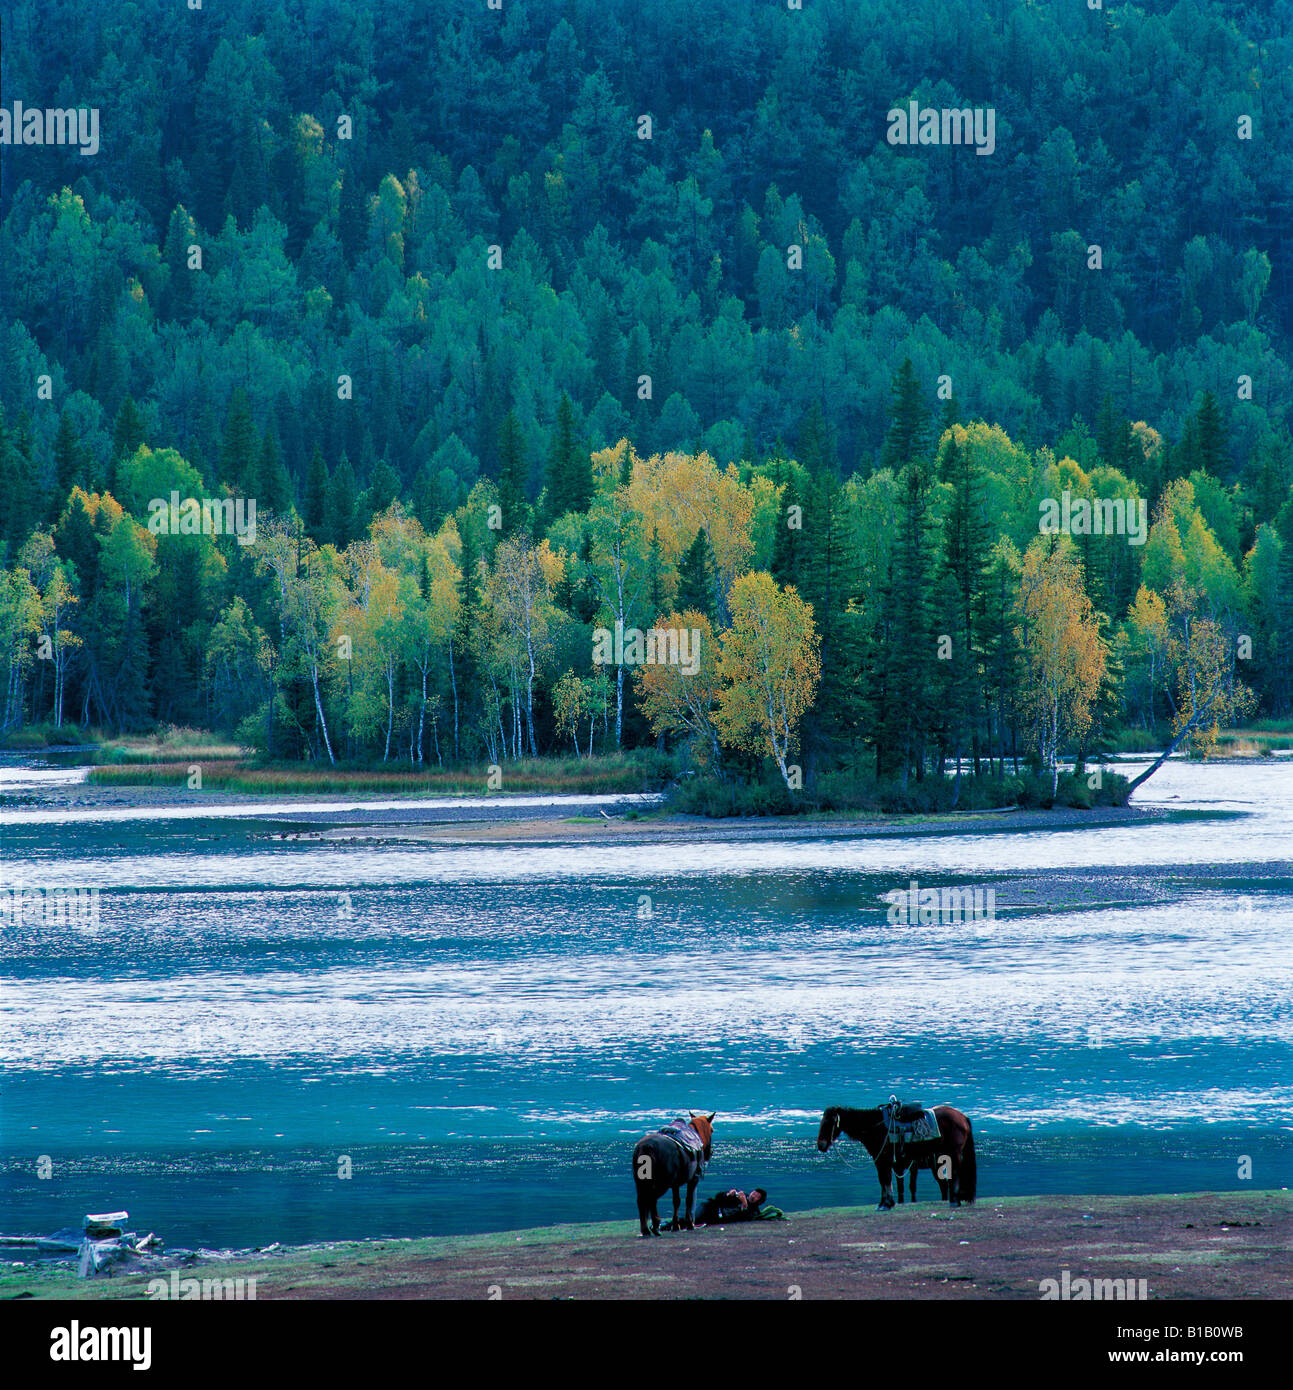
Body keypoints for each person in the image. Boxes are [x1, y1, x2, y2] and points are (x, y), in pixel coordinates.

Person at [695, 1187, 768, 1225]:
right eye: (754, 1193)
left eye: (757, 1196)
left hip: (719, 1217)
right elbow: (718, 1197)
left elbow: (744, 1219)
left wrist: (744, 1205)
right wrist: (728, 1194)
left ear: (759, 1202)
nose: (753, 1196)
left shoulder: (754, 1211)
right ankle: (692, 1221)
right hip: (714, 1208)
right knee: (705, 1204)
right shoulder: (741, 1194)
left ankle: (694, 1222)